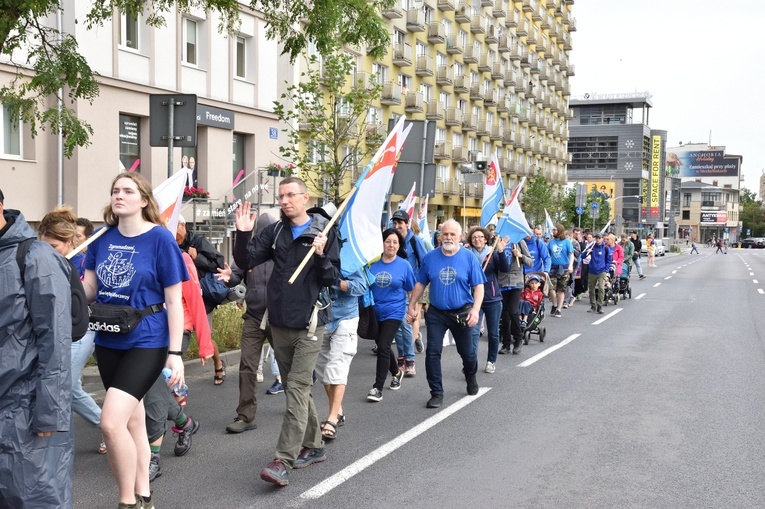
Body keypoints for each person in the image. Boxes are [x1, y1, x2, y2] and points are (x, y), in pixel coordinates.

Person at [82, 172, 187, 508]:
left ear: (143, 200)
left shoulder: (160, 240)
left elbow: (174, 301)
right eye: (115, 190)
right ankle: (145, 495)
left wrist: (175, 352)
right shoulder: (100, 240)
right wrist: (62, 270)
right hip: (109, 340)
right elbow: (89, 291)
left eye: (128, 190)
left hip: (148, 341)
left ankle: (127, 501)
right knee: (133, 421)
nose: (119, 195)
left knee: (110, 424)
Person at [234, 177, 340, 487]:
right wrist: (242, 234)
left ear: (305, 198)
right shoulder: (276, 230)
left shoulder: (323, 231)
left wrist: (320, 255)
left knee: (295, 387)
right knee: (299, 390)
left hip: (309, 325)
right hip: (278, 323)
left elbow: (331, 277)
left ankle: (283, 459)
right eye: (281, 196)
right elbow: (248, 259)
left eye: (290, 195)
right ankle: (315, 446)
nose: (284, 200)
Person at [0, 189, 75, 508]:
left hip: (25, 411)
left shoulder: (37, 258)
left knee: (33, 498)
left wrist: (49, 415)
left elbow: (56, 341)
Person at [37, 206, 106, 455]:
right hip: (56, 331)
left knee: (64, 385)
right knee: (69, 386)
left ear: (69, 241)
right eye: (43, 245)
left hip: (81, 331)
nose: (48, 252)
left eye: (54, 246)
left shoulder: (83, 260)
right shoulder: (44, 259)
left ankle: (107, 427)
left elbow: (89, 295)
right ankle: (109, 426)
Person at [144, 247, 213, 482]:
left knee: (153, 388)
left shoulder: (180, 257)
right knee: (153, 388)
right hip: (147, 332)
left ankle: (152, 457)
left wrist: (205, 344)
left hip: (176, 332)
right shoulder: (138, 252)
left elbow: (195, 300)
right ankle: (185, 423)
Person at [406, 220, 487, 409]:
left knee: (468, 354)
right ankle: (436, 393)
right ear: (439, 236)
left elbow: (479, 287)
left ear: (460, 237)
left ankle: (470, 376)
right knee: (433, 352)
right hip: (437, 313)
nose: (448, 237)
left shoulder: (468, 258)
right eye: (445, 234)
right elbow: (420, 283)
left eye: (452, 234)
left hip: (462, 313)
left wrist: (475, 310)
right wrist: (412, 305)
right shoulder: (430, 257)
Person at [219, 209, 279, 434]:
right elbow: (237, 274)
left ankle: (299, 409)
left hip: (279, 318)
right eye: (261, 232)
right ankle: (245, 416)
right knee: (247, 366)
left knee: (290, 367)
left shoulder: (283, 251)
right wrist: (229, 279)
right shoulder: (250, 252)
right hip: (254, 316)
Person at [315, 267, 367, 436]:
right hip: (321, 317)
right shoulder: (314, 255)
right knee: (322, 371)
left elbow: (361, 286)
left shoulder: (349, 258)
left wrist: (337, 283)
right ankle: (338, 411)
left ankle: (331, 419)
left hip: (346, 318)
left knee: (336, 367)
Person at [176, 215, 227, 385]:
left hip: (204, 295)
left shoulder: (198, 241)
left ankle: (218, 363)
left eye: (175, 228)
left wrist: (197, 258)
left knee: (206, 332)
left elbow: (219, 263)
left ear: (183, 225)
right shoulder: (170, 245)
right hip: (181, 298)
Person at [367, 229, 415, 403]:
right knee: (383, 346)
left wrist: (412, 309)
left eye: (395, 242)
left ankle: (377, 387)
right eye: (388, 241)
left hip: (394, 311)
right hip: (374, 312)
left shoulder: (404, 265)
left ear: (399, 245)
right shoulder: (372, 264)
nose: (391, 245)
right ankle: (396, 372)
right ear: (382, 243)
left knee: (383, 346)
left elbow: (411, 290)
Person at [391, 209, 429, 376]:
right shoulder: (392, 240)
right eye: (395, 223)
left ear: (407, 223)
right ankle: (401, 358)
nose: (398, 226)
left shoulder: (415, 241)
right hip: (394, 288)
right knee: (397, 325)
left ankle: (410, 359)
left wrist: (419, 285)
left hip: (410, 288)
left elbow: (425, 262)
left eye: (401, 223)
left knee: (406, 323)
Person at [466, 226, 509, 373]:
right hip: (472, 299)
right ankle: (471, 363)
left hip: (492, 298)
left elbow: (505, 268)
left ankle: (491, 361)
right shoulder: (466, 254)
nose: (477, 239)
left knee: (493, 332)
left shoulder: (492, 254)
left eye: (480, 237)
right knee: (473, 332)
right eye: (474, 237)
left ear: (485, 239)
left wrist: (501, 251)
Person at [498, 237, 533, 355]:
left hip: (516, 282)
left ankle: (518, 339)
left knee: (513, 311)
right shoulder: (498, 241)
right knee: (504, 314)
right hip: (502, 281)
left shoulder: (519, 241)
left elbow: (530, 261)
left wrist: (520, 255)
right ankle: (506, 343)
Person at [546, 224, 574, 317]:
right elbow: (547, 255)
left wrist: (570, 266)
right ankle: (554, 304)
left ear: (560, 231)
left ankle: (558, 309)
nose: (553, 231)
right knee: (551, 288)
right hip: (553, 268)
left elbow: (571, 254)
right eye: (553, 230)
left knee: (561, 290)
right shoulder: (551, 242)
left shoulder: (567, 242)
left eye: (555, 230)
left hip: (564, 269)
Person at [581, 232, 611, 314]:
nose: (597, 239)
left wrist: (606, 270)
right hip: (592, 270)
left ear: (602, 239)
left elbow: (608, 260)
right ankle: (593, 305)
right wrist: (588, 251)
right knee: (591, 289)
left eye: (599, 238)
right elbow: (582, 256)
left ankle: (600, 306)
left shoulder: (605, 248)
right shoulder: (592, 247)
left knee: (601, 288)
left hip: (601, 271)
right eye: (596, 238)